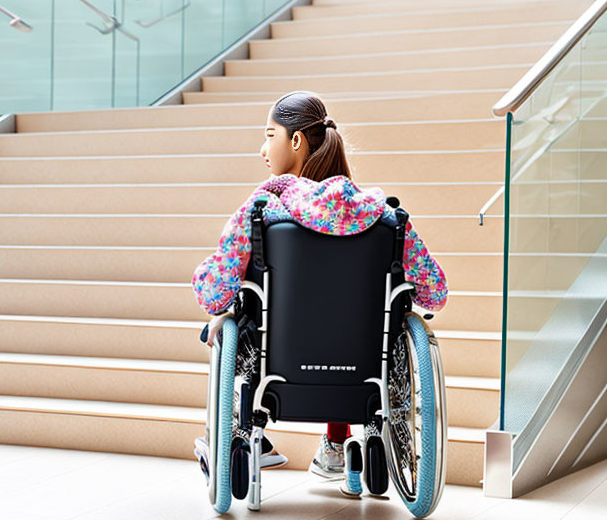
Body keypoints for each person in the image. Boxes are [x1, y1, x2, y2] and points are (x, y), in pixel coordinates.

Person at [191, 90, 448, 480]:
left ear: (294, 142)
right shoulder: (384, 217)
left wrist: (223, 310)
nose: (263, 148)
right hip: (364, 377)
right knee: (391, 322)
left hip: (277, 370)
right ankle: (344, 446)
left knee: (235, 323)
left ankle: (237, 437)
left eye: (269, 135)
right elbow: (435, 292)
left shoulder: (262, 211)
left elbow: (213, 291)